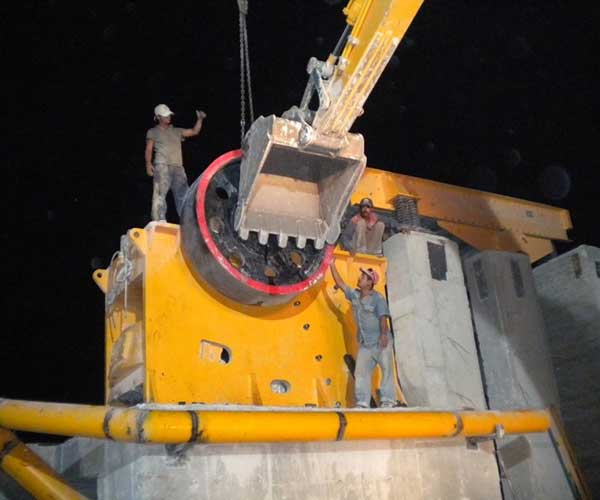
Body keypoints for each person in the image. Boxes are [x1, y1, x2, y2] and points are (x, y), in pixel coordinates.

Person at [329, 259, 397, 408]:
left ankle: (388, 401)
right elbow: (340, 283)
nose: (359, 278)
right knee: (361, 373)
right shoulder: (354, 295)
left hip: (380, 341)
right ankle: (362, 402)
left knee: (386, 370)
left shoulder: (378, 299)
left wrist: (384, 335)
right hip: (365, 343)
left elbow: (382, 317)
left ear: (370, 282)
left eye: (363, 277)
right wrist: (332, 264)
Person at [145, 104, 206, 222]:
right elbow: (148, 149)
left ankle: (188, 221)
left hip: (178, 168)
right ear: (158, 117)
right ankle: (159, 220)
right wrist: (148, 164)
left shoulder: (176, 131)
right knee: (160, 194)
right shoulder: (153, 132)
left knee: (183, 196)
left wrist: (200, 119)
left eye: (169, 115)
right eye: (165, 115)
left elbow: (194, 131)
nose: (168, 117)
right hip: (162, 165)